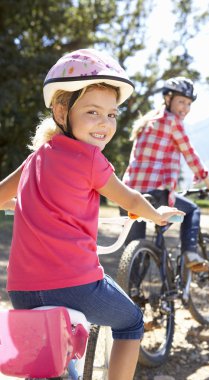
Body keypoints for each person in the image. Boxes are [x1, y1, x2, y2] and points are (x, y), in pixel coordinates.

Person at [0, 49, 184, 380]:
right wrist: (156, 214)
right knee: (131, 322)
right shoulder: (89, 160)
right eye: (93, 112)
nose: (104, 123)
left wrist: (21, 203)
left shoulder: (35, 159)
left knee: (49, 355)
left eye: (112, 115)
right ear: (61, 111)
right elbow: (130, 198)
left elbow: (0, 196)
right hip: (76, 284)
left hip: (21, 289)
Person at [122, 76, 209, 272]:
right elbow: (190, 155)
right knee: (192, 210)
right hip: (155, 192)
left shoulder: (147, 121)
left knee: (133, 252)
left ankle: (131, 292)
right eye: (181, 101)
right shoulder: (172, 122)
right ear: (168, 99)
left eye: (189, 103)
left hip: (127, 193)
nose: (185, 107)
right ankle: (191, 254)